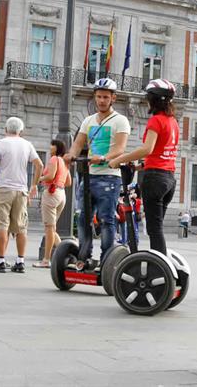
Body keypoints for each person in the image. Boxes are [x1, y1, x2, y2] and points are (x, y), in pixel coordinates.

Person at [63, 78, 130, 267]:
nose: (101, 101)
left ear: (113, 98)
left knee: (106, 219)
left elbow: (120, 149)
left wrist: (102, 158)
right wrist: (70, 155)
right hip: (89, 175)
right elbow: (77, 145)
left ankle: (106, 260)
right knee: (83, 218)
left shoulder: (120, 121)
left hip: (109, 177)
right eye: (99, 97)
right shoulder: (88, 121)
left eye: (105, 97)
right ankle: (84, 257)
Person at [110, 79, 180, 255]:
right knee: (157, 228)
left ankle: (160, 270)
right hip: (169, 180)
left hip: (155, 180)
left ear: (153, 100)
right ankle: (162, 266)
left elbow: (147, 149)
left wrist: (119, 159)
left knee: (154, 230)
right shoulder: (173, 122)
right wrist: (139, 166)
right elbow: (162, 153)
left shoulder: (156, 121)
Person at [0, 117, 43, 273]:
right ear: (21, 131)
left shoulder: (0, 143)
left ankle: (1, 260)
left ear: (5, 129)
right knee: (21, 227)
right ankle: (20, 261)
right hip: (21, 189)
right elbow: (39, 165)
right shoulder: (27, 145)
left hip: (4, 187)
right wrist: (34, 185)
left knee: (2, 224)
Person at [34, 139, 71, 268]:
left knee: (49, 228)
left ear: (57, 147)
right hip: (61, 194)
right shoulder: (64, 163)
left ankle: (46, 260)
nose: (50, 147)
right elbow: (68, 182)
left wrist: (39, 179)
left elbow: (50, 176)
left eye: (53, 145)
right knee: (52, 228)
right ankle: (67, 254)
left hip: (51, 193)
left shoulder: (54, 159)